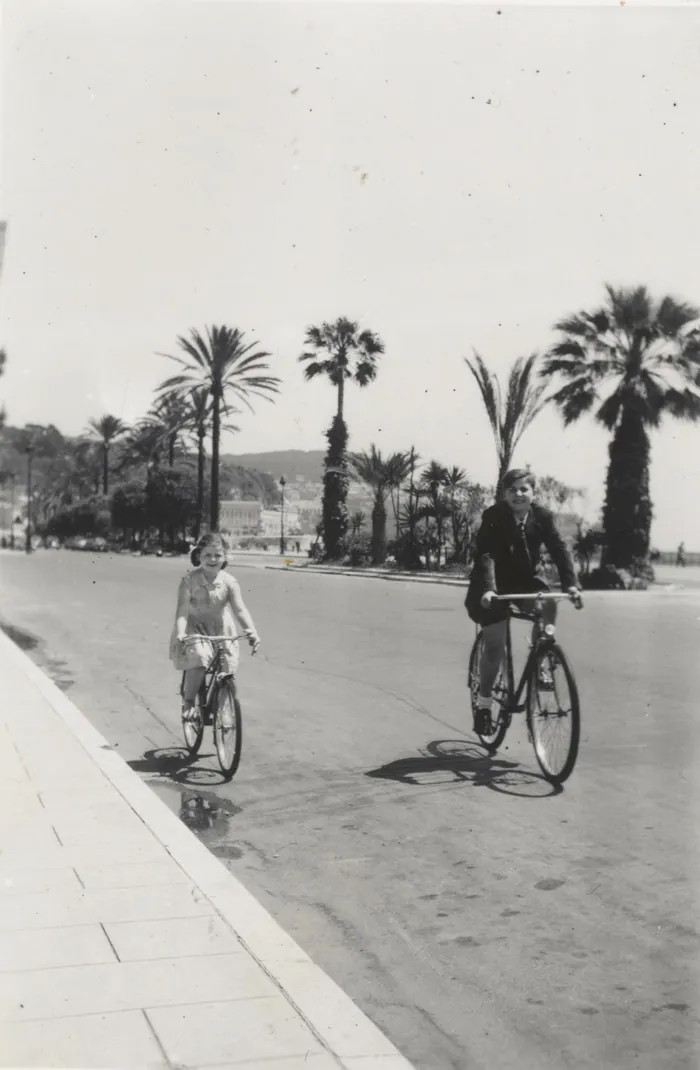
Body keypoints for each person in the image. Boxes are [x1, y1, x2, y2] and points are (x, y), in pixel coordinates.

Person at [465, 468, 582, 735]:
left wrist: (571, 585)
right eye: (512, 490)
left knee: (549, 603)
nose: (518, 494)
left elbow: (559, 549)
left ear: (533, 493)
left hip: (524, 581)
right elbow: (486, 555)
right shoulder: (494, 516)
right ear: (504, 495)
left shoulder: (542, 516)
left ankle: (543, 657)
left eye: (523, 489)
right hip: (491, 586)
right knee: (494, 647)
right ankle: (484, 705)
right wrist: (489, 589)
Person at [170, 532, 261, 721]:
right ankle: (188, 701)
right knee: (200, 658)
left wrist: (251, 631)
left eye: (218, 555)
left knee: (227, 667)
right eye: (207, 555)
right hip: (194, 627)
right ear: (198, 556)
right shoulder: (189, 581)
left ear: (225, 557)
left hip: (220, 629)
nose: (213, 560)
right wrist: (180, 633)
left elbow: (240, 610)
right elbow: (182, 612)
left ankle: (220, 709)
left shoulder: (229, 582)